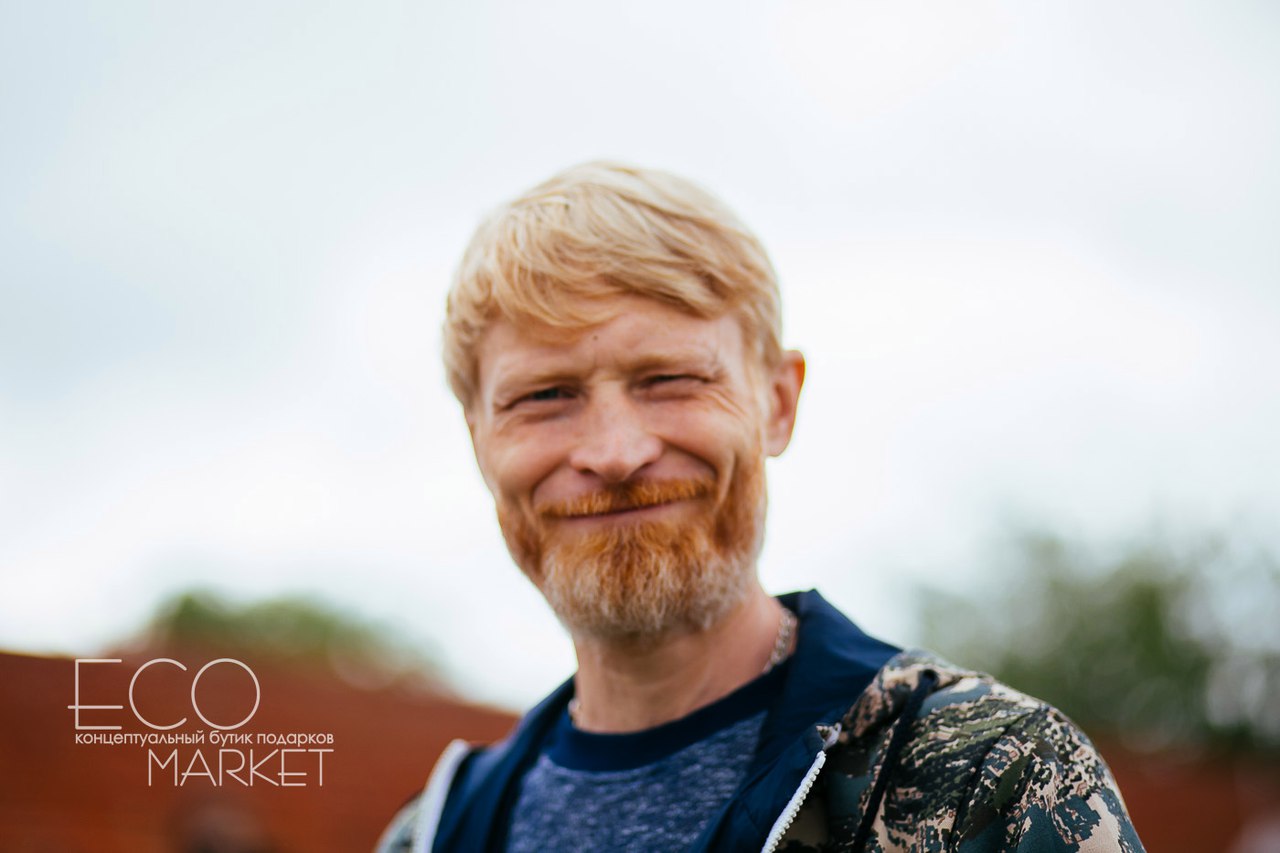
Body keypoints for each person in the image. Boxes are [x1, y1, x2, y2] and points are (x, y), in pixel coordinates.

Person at [377, 163, 1144, 852]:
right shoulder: (430, 837)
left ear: (778, 403)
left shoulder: (990, 780)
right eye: (545, 395)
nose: (614, 452)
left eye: (669, 379)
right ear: (478, 436)